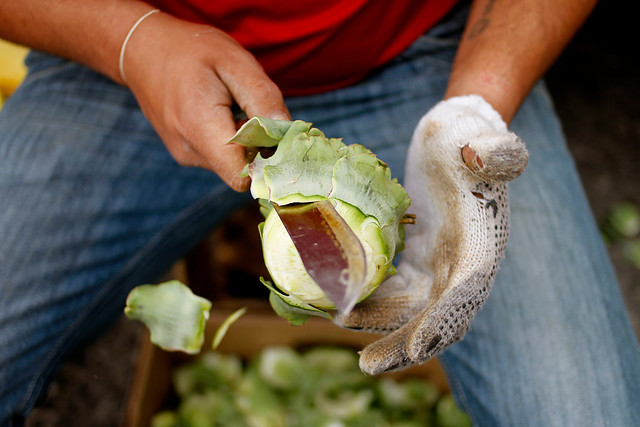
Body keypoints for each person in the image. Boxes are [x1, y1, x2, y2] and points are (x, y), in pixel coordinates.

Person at [0, 0, 638, 425]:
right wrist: (132, 42)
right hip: (132, 48)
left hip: (426, 57)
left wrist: (475, 107)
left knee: (583, 410)